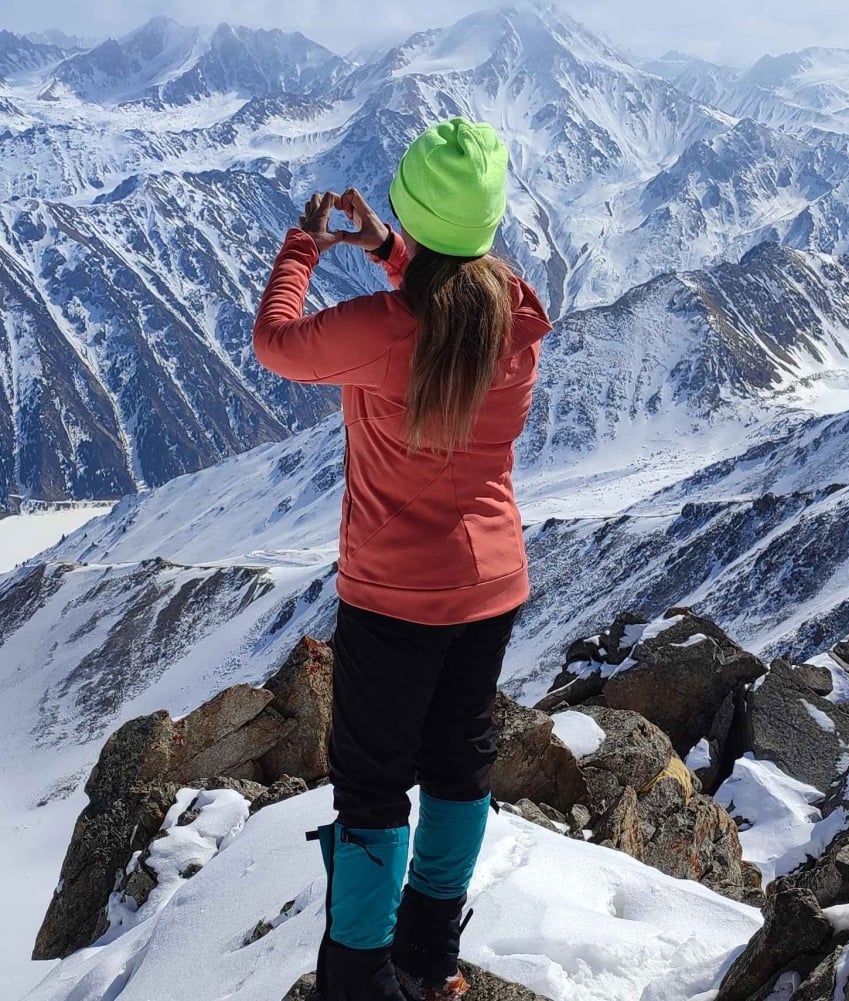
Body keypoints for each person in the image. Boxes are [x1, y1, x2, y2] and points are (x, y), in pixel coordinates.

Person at [252, 117, 551, 1001]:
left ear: (415, 218)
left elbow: (276, 344)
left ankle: (357, 978)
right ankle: (431, 954)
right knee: (461, 762)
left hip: (394, 598)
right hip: (492, 585)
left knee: (374, 788)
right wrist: (395, 247)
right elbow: (456, 296)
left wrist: (302, 246)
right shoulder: (515, 317)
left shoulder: (384, 332)